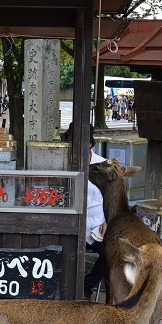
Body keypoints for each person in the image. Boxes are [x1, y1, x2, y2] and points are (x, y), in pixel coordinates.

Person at [63, 122, 106, 299]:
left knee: (111, 253)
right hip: (72, 223)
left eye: (80, 140)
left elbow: (112, 197)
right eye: (72, 139)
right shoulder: (65, 163)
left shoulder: (103, 165)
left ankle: (86, 286)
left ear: (90, 143)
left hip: (98, 223)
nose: (76, 144)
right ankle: (67, 288)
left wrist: (107, 220)